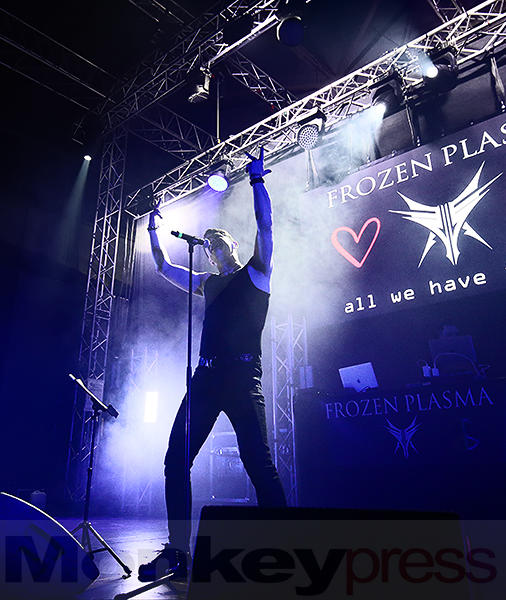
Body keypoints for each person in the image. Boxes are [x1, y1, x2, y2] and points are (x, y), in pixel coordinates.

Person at [138, 148, 287, 582]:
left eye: (218, 240)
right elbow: (163, 267)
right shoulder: (207, 283)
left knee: (258, 463)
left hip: (242, 378)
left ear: (232, 245)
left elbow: (266, 225)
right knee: (175, 460)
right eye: (208, 245)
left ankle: (286, 544)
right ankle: (178, 551)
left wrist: (257, 180)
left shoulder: (256, 273)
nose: (212, 247)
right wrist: (153, 231)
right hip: (206, 377)